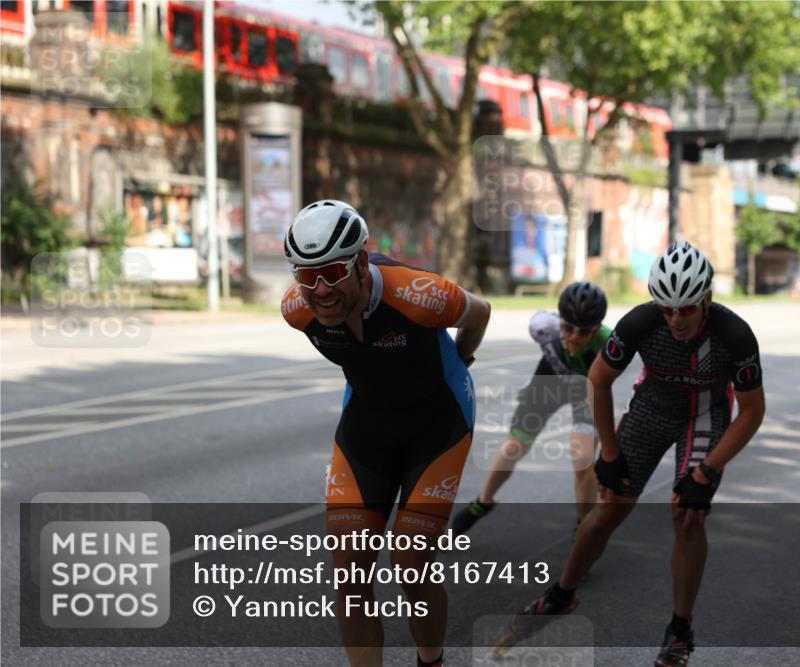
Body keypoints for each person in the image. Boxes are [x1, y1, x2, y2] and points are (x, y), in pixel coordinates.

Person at [497, 241, 765, 666]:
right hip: (651, 410)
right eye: (667, 309)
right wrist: (608, 451)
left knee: (688, 514)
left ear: (707, 299)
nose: (675, 319)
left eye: (686, 309)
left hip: (705, 414)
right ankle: (561, 594)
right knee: (609, 508)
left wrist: (709, 471)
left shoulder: (734, 333)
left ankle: (680, 630)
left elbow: (752, 412)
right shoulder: (641, 321)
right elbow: (598, 380)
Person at [281, 200, 491, 667]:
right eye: (307, 275)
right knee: (349, 569)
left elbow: (481, 313)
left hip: (438, 426)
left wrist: (461, 362)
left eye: (332, 272)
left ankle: (430, 660)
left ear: (360, 261)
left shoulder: (420, 294)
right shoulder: (297, 310)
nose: (320, 290)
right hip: (369, 426)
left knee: (410, 561)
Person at [450, 281, 611, 536]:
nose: (574, 337)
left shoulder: (609, 344)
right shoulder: (542, 326)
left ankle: (584, 527)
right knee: (513, 446)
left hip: (587, 390)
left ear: (597, 329)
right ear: (560, 321)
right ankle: (484, 501)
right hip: (551, 380)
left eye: (584, 332)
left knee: (583, 458)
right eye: (568, 327)